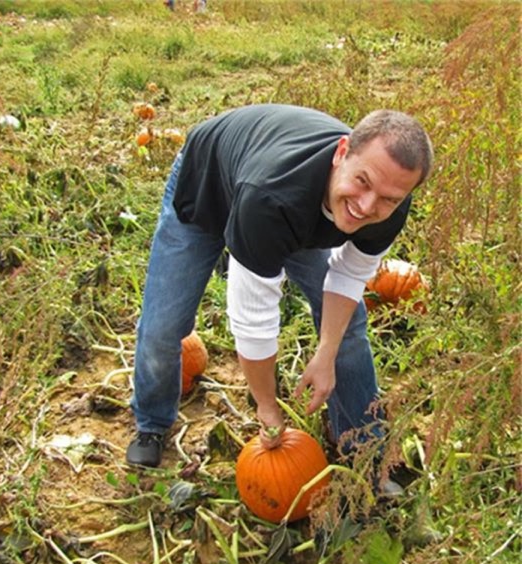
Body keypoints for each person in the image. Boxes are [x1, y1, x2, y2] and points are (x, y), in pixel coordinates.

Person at [125, 104, 433, 476]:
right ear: (341, 153)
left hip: (292, 205)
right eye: (362, 181)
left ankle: (363, 446)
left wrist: (326, 351)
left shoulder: (388, 202)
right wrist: (267, 407)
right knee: (164, 326)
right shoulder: (271, 198)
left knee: (348, 326)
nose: (368, 206)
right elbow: (253, 321)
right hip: (209, 185)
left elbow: (350, 277)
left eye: (388, 198)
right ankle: (152, 423)